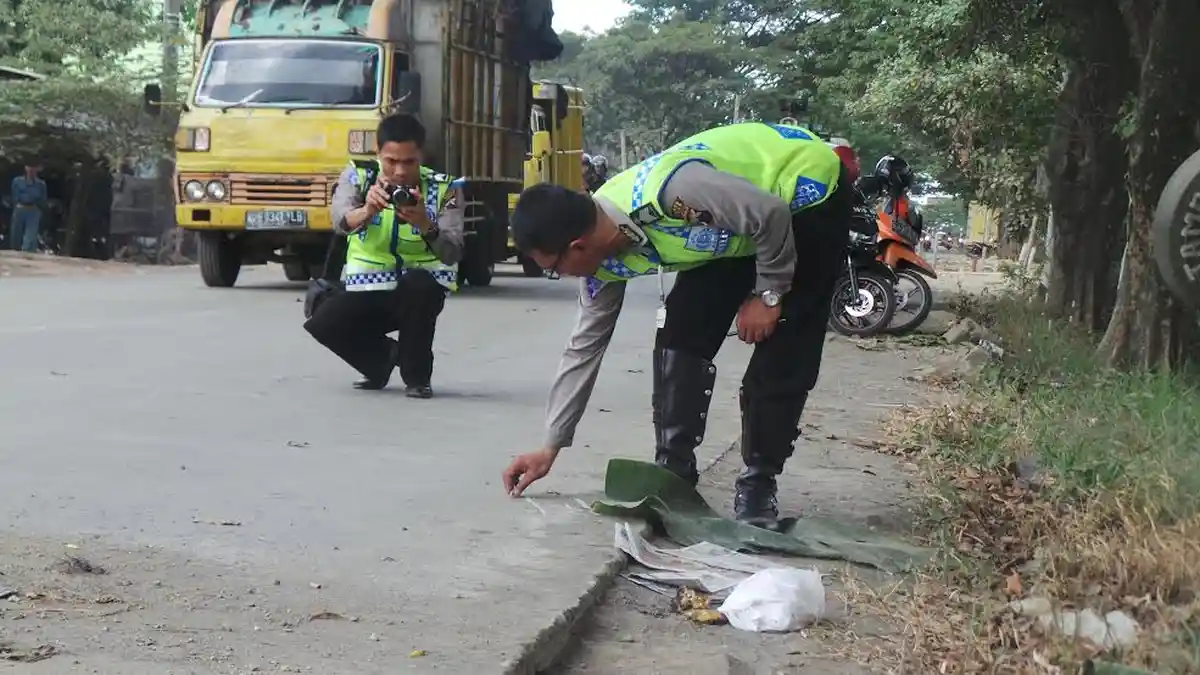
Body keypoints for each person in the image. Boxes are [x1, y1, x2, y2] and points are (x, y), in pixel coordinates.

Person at [500, 121, 852, 528]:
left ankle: (758, 483)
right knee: (680, 334)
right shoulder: (600, 263)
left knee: (786, 343)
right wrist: (551, 445)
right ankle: (674, 472)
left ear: (576, 247)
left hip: (803, 196)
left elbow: (768, 214)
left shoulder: (671, 194)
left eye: (552, 269)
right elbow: (584, 348)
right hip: (731, 230)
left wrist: (769, 294)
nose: (559, 276)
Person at [304, 113, 465, 398]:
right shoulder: (358, 176)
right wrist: (367, 211)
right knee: (321, 321)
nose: (400, 172)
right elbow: (339, 222)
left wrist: (425, 224)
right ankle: (382, 361)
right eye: (391, 161)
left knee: (419, 285)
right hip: (368, 289)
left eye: (409, 162)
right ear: (378, 154)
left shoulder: (446, 188)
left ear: (422, 156)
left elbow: (453, 252)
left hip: (418, 293)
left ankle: (417, 378)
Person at [9, 164, 47, 252]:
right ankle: (16, 252)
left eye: (34, 168)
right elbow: (14, 195)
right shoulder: (17, 181)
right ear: (25, 168)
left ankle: (27, 252)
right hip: (20, 208)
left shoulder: (41, 184)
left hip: (33, 210)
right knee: (16, 235)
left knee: (30, 236)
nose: (31, 170)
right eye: (30, 167)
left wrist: (40, 210)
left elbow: (43, 199)